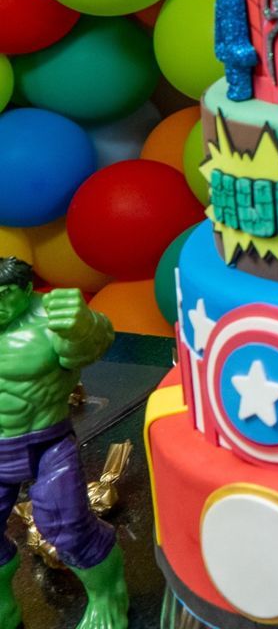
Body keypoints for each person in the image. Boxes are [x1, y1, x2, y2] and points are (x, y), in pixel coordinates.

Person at [0, 258, 127, 629]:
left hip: (46, 443)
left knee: (66, 526)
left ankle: (108, 596)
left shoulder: (51, 317)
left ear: (26, 290)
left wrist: (83, 327)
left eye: (5, 295)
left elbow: (96, 341)